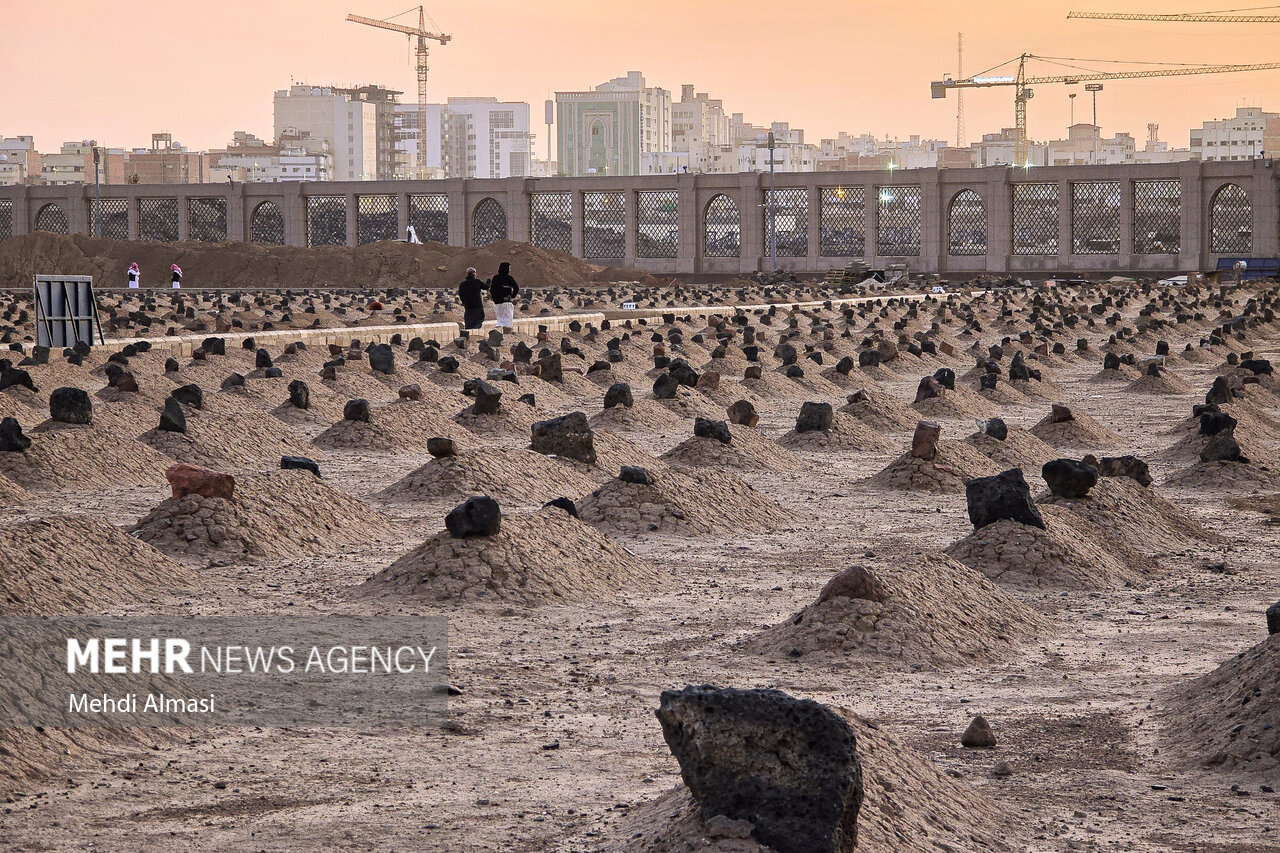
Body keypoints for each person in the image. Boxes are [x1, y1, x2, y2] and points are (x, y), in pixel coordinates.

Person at [489, 261, 520, 331]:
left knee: (500, 321)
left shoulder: (495, 278)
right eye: (509, 268)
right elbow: (516, 287)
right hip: (506, 302)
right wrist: (512, 296)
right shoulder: (509, 278)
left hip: (498, 303)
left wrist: (494, 299)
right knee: (507, 322)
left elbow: (492, 290)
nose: (510, 270)